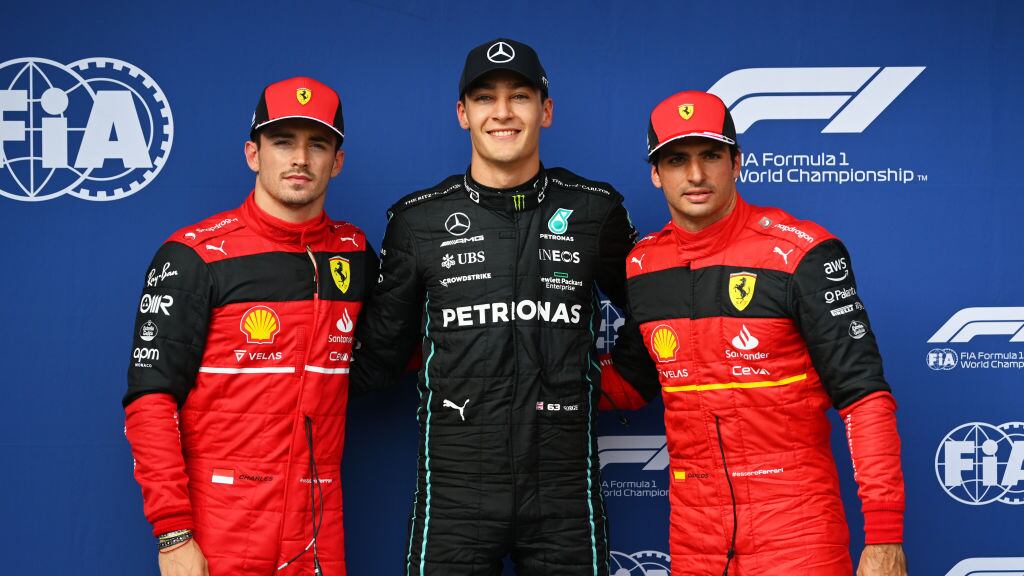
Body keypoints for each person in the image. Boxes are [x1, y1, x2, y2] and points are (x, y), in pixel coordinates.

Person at [350, 38, 637, 575]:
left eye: (520, 96)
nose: (502, 112)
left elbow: (654, 307)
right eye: (485, 98)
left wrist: (622, 384)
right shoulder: (417, 222)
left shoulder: (594, 211)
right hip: (455, 493)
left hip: (563, 492)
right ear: (463, 113)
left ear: (546, 110)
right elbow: (381, 352)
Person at [600, 90, 907, 576]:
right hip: (695, 539)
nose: (695, 175)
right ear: (656, 173)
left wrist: (885, 536)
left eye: (710, 156)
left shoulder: (803, 255)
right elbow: (630, 384)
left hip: (796, 532)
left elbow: (864, 398)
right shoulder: (644, 266)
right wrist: (531, 366)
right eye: (677, 160)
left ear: (737, 162)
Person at [123, 76, 375, 576]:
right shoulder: (193, 256)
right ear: (253, 154)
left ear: (337, 161)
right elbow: (150, 401)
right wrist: (173, 534)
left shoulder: (354, 253)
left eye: (317, 144)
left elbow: (398, 349)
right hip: (221, 530)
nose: (300, 159)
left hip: (317, 528)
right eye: (282, 142)